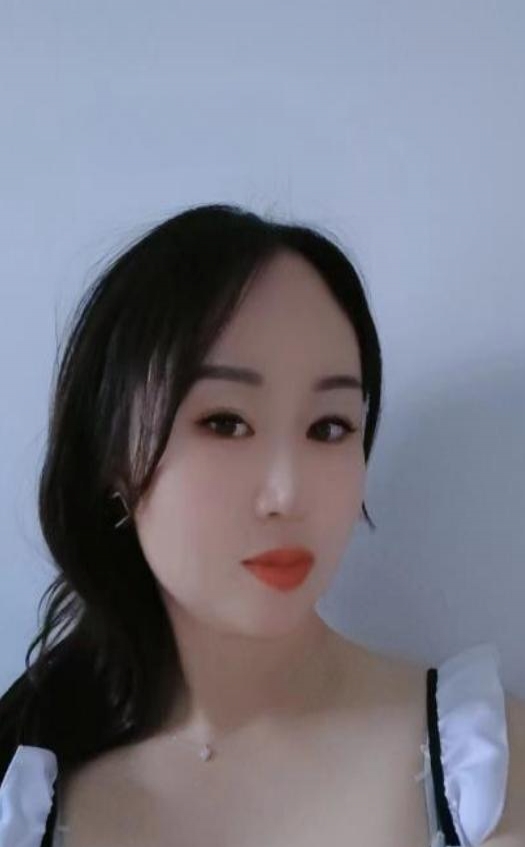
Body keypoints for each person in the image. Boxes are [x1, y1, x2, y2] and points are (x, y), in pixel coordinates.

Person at [0, 202, 523, 847]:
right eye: (225, 423)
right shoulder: (24, 791)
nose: (287, 494)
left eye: (328, 427)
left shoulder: (484, 771)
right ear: (112, 457)